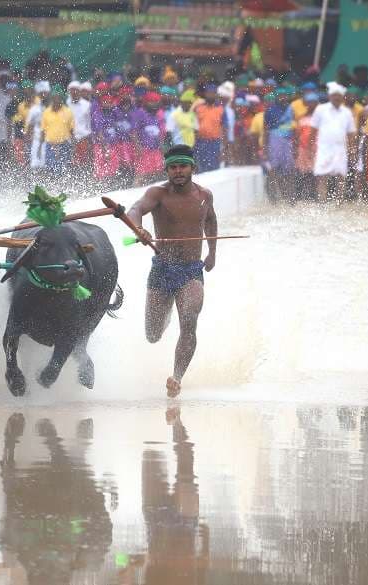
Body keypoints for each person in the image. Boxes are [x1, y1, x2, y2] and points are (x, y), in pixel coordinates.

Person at [126, 144, 218, 397]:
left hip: (191, 271)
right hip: (162, 269)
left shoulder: (204, 195)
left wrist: (212, 252)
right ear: (166, 170)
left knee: (189, 320)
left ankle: (176, 377)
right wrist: (139, 229)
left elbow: (210, 220)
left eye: (182, 166)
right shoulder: (157, 193)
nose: (178, 171)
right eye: (173, 167)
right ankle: (164, 314)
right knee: (152, 335)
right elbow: (135, 210)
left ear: (192, 168)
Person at [310, 82, 357, 201]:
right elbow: (313, 130)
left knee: (341, 177)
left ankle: (339, 203)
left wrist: (352, 149)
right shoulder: (320, 109)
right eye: (334, 95)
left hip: (340, 149)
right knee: (321, 176)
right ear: (330, 96)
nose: (336, 97)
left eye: (339, 95)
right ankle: (322, 202)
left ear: (342, 97)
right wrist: (311, 147)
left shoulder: (347, 112)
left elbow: (351, 133)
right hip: (324, 148)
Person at [132, 91, 166, 185]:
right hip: (144, 149)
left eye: (156, 101)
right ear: (146, 102)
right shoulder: (140, 113)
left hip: (155, 149)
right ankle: (134, 193)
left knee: (156, 173)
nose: (155, 104)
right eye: (152, 101)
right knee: (141, 174)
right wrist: (138, 146)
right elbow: (133, 131)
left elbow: (158, 132)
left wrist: (161, 146)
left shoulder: (156, 114)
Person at [39, 85, 74, 176]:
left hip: (64, 145)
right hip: (50, 145)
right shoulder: (46, 112)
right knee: (50, 169)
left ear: (62, 98)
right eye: (55, 97)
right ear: (52, 98)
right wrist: (39, 147)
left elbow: (72, 130)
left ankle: (62, 187)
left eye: (58, 97)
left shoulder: (68, 111)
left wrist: (73, 146)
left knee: (64, 169)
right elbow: (43, 130)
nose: (56, 100)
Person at [193, 83, 224, 171]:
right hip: (201, 142)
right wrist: (195, 143)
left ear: (216, 94)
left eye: (212, 93)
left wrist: (223, 146)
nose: (210, 95)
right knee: (202, 167)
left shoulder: (221, 109)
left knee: (214, 168)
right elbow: (195, 127)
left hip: (215, 142)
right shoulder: (199, 108)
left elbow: (224, 128)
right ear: (205, 94)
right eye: (208, 93)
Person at [294, 92, 319, 201]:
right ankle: (299, 196)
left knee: (314, 173)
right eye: (310, 103)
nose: (312, 105)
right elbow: (296, 135)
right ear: (306, 104)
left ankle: (313, 196)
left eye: (314, 102)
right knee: (302, 172)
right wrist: (295, 149)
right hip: (303, 149)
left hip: (316, 150)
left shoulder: (320, 118)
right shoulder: (301, 118)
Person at [67, 80, 92, 173]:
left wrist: (89, 138)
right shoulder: (66, 104)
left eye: (76, 90)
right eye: (72, 90)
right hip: (69, 140)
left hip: (83, 138)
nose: (74, 92)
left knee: (83, 164)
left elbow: (89, 123)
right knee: (70, 164)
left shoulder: (87, 105)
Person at [25, 80, 49, 171]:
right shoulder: (34, 109)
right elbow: (29, 125)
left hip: (49, 140)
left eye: (45, 93)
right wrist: (28, 139)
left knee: (45, 164)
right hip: (36, 139)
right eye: (42, 93)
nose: (44, 95)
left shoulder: (51, 108)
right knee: (35, 164)